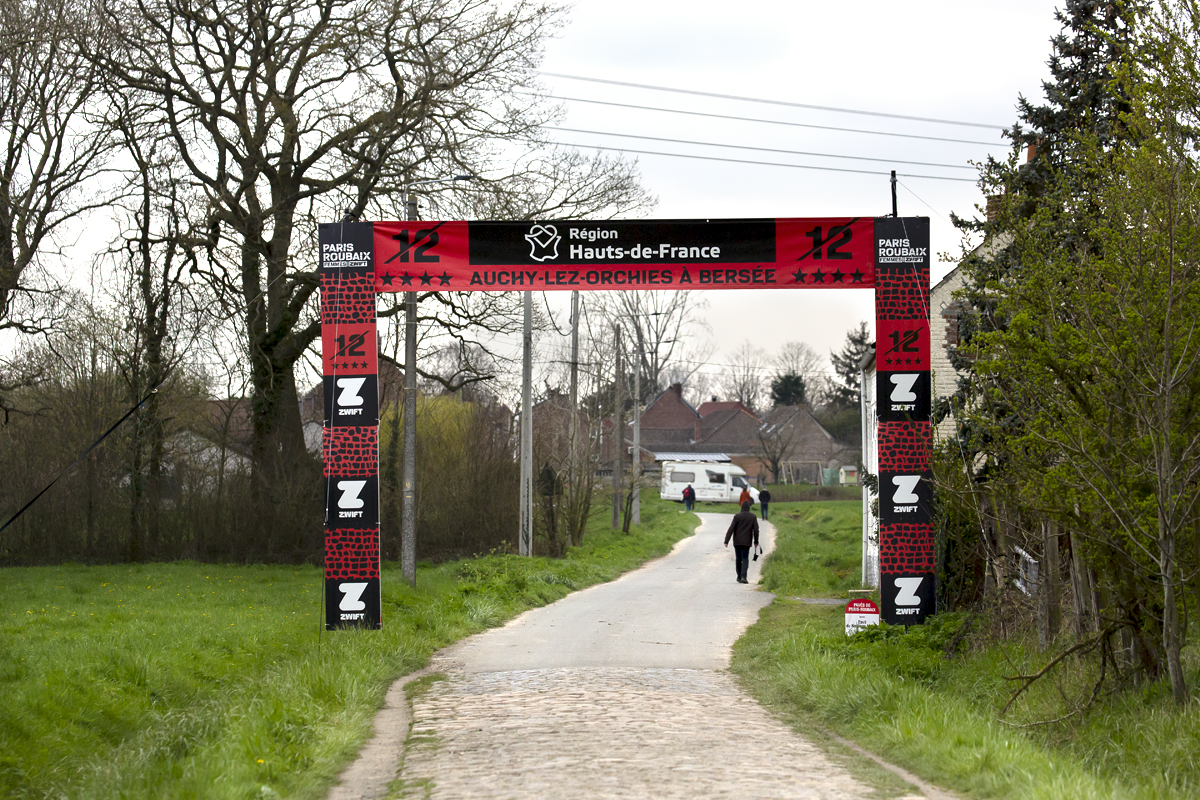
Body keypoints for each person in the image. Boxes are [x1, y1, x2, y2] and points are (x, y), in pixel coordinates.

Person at [724, 501, 760, 584]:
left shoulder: (737, 516)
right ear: (748, 508)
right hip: (746, 542)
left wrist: (726, 541)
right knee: (745, 558)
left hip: (737, 541)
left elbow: (731, 529)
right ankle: (744, 576)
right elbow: (756, 530)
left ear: (741, 508)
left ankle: (739, 576)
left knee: (738, 558)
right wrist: (756, 541)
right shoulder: (753, 517)